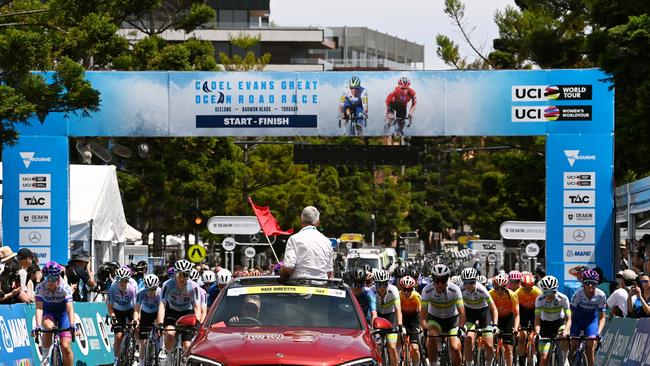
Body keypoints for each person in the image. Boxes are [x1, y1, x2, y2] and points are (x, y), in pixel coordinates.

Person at [420, 264, 465, 366]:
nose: (440, 284)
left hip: (452, 320)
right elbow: (423, 316)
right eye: (437, 280)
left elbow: (462, 313)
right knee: (431, 337)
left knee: (455, 347)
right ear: (433, 280)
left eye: (443, 280)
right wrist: (425, 329)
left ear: (447, 279)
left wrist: (461, 328)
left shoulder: (455, 289)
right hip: (435, 319)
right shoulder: (426, 290)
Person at [33, 262, 76, 366]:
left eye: (53, 279)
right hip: (49, 313)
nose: (50, 282)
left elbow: (70, 308)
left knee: (65, 346)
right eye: (47, 278)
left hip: (63, 314)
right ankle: (45, 358)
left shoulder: (65, 287)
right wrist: (38, 326)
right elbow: (39, 308)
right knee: (48, 327)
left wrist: (72, 324)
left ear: (58, 277)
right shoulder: (40, 287)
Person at [157, 259, 201, 359]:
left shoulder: (194, 287)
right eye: (179, 275)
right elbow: (162, 305)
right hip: (172, 312)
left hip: (187, 314)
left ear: (189, 275)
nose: (181, 278)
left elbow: (197, 307)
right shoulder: (167, 285)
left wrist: (197, 321)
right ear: (175, 274)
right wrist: (160, 323)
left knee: (187, 345)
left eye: (185, 275)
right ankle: (168, 358)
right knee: (169, 335)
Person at [281, 206, 333, 279]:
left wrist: (281, 271)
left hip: (299, 287)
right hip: (322, 287)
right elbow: (329, 273)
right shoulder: (327, 241)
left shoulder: (294, 239)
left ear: (301, 221)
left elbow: (288, 269)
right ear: (318, 223)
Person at [460, 267, 498, 366]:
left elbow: (493, 309)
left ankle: (488, 363)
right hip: (469, 313)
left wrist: (495, 325)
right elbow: (456, 307)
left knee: (489, 345)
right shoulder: (460, 289)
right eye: (465, 282)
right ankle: (469, 363)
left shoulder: (482, 289)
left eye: (471, 282)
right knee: (468, 339)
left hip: (483, 313)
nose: (468, 285)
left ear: (476, 281)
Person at [569, 269, 606, 366]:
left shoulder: (601, 295)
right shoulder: (578, 293)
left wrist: (598, 332)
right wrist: (568, 327)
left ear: (596, 284)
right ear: (583, 283)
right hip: (577, 320)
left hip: (591, 321)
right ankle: (568, 361)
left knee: (590, 347)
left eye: (593, 283)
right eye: (587, 283)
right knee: (574, 344)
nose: (590, 285)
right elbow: (570, 313)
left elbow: (602, 317)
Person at [535, 276, 572, 366]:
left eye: (553, 291)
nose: (549, 295)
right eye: (546, 292)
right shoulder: (539, 300)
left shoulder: (563, 298)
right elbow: (537, 320)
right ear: (542, 290)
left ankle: (564, 359)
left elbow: (569, 318)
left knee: (564, 336)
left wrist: (566, 331)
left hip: (559, 323)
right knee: (544, 358)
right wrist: (537, 333)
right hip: (545, 325)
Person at [371, 269, 403, 366]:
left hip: (390, 316)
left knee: (392, 346)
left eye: (384, 284)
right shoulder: (371, 291)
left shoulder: (393, 290)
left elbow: (398, 309)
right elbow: (373, 312)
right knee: (376, 346)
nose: (382, 287)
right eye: (379, 285)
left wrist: (400, 325)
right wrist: (373, 327)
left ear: (387, 283)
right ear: (375, 284)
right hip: (378, 316)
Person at [107, 267, 137, 365]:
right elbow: (110, 306)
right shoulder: (113, 288)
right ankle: (116, 359)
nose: (121, 283)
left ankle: (135, 349)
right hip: (117, 310)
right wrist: (113, 317)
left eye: (124, 280)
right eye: (119, 280)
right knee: (119, 336)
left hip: (130, 309)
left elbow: (136, 307)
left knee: (136, 328)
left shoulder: (132, 289)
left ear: (128, 280)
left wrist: (135, 319)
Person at [489, 274, 520, 366]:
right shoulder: (490, 294)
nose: (499, 291)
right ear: (493, 287)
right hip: (494, 319)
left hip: (508, 319)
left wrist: (516, 328)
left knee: (508, 349)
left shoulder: (512, 295)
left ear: (506, 287)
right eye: (497, 288)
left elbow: (517, 314)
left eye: (502, 288)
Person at [515, 272, 543, 366]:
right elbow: (515, 310)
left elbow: (542, 308)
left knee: (538, 334)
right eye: (525, 288)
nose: (527, 290)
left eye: (529, 288)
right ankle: (521, 359)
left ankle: (539, 356)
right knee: (522, 335)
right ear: (521, 285)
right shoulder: (517, 293)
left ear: (533, 285)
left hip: (534, 311)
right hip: (523, 312)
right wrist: (517, 326)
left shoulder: (538, 292)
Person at [134, 274, 161, 366]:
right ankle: (141, 363)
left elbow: (163, 309)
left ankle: (159, 350)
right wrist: (136, 320)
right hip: (145, 314)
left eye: (153, 289)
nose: (151, 292)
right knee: (143, 342)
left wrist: (159, 322)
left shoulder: (160, 293)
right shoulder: (141, 293)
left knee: (158, 333)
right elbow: (137, 309)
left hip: (157, 313)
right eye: (148, 289)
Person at [399, 275, 422, 366]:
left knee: (415, 348)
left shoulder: (417, 296)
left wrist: (421, 325)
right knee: (402, 346)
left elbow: (420, 312)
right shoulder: (398, 295)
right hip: (402, 320)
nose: (406, 292)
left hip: (414, 320)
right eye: (404, 289)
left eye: (409, 290)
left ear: (413, 289)